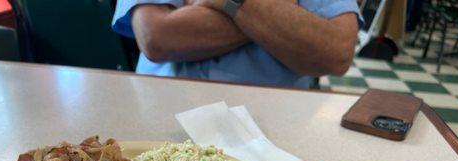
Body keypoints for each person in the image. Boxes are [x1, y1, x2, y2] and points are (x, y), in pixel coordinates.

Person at [112, 0, 363, 88]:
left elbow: (336, 53)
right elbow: (157, 37)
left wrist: (234, 2)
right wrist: (282, 14)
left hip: (274, 123)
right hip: (164, 104)